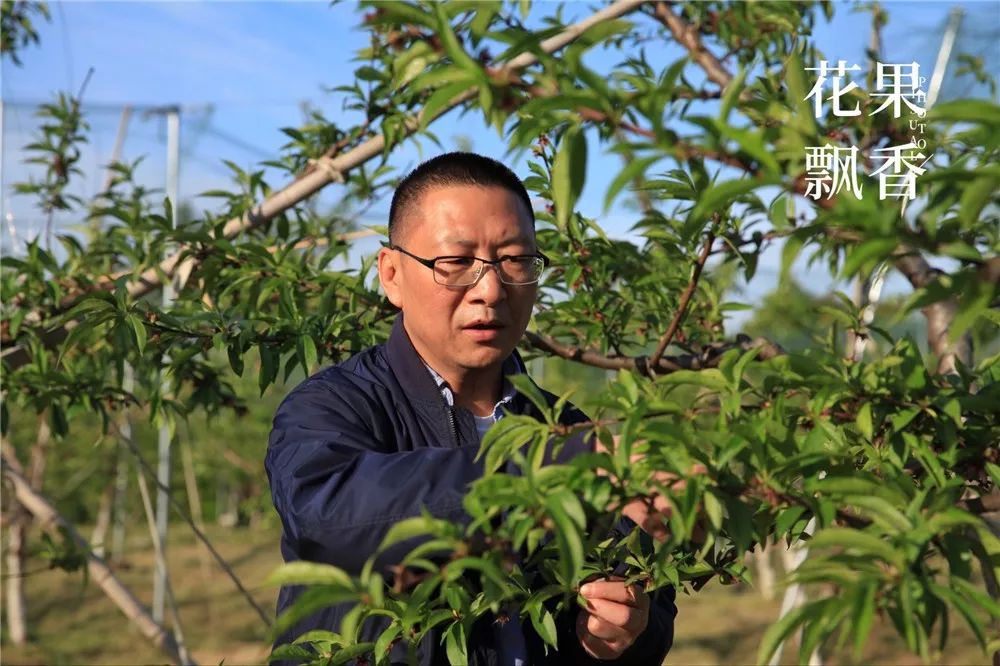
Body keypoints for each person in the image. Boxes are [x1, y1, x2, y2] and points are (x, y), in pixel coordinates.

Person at [266, 152, 676, 664]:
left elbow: (651, 602)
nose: (490, 289)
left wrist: (624, 632)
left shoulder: (567, 428)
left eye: (515, 261)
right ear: (391, 274)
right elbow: (330, 519)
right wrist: (557, 468)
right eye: (455, 263)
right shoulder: (332, 407)